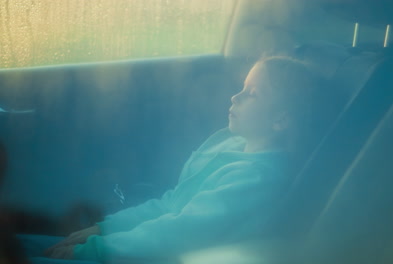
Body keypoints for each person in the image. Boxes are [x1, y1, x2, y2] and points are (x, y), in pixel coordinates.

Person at [25, 56, 339, 263]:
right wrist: (103, 229)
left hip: (162, 256)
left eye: (251, 94)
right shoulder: (230, 144)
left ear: (281, 120)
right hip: (133, 246)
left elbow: (180, 233)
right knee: (23, 244)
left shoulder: (258, 179)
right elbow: (171, 203)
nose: (235, 97)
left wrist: (97, 250)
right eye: (241, 88)